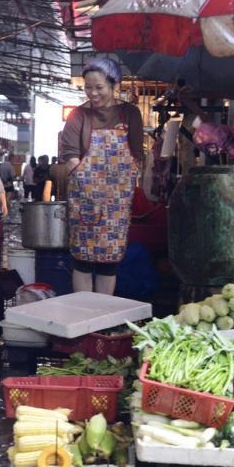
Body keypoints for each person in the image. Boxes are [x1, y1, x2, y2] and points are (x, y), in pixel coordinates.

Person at [60, 57, 143, 295]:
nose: (93, 93)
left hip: (117, 202)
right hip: (84, 197)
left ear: (113, 85)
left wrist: (123, 184)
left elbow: (136, 154)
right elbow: (70, 154)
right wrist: (86, 184)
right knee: (83, 260)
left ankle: (101, 318)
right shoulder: (78, 115)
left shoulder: (130, 113)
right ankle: (83, 315)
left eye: (99, 87)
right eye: (88, 87)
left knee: (110, 261)